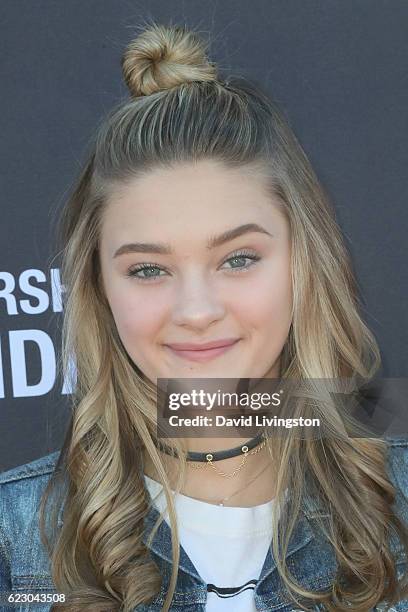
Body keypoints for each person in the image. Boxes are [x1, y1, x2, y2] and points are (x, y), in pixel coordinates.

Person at [1, 20, 408, 612]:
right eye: (148, 269)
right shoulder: (18, 543)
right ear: (98, 288)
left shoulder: (397, 502)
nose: (196, 311)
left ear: (303, 264)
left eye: (238, 259)